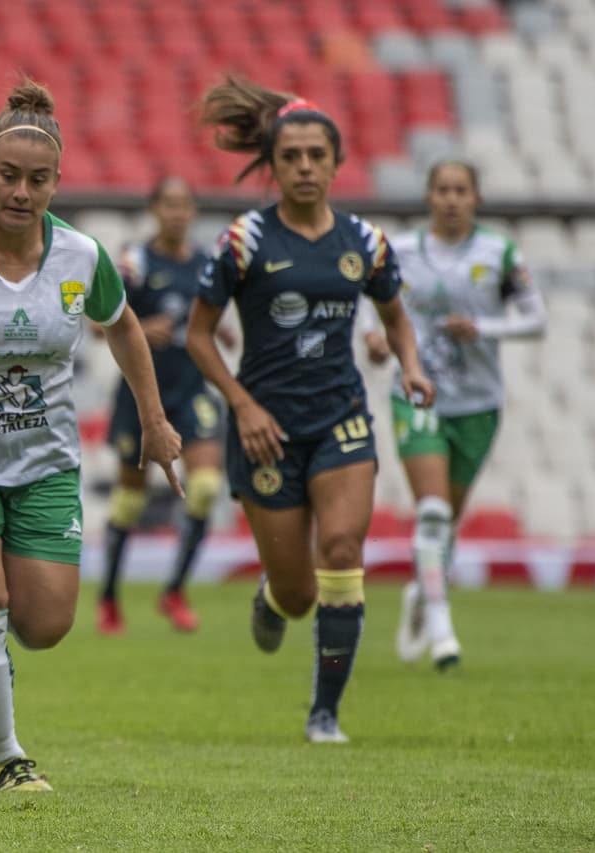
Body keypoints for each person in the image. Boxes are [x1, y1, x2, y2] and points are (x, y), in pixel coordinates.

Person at [0, 80, 182, 791]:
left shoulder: (82, 256)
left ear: (57, 182)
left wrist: (155, 417)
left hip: (45, 461)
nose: (21, 191)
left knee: (44, 625)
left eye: (37, 179)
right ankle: (7, 759)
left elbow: (125, 326)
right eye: (8, 176)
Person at [186, 75, 435, 743]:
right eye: (289, 156)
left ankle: (325, 713)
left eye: (314, 156)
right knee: (297, 592)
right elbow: (197, 336)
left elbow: (397, 319)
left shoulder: (366, 242)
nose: (302, 166)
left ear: (335, 161)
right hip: (265, 430)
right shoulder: (243, 241)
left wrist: (409, 365)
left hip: (340, 417)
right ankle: (271, 597)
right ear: (272, 164)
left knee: (344, 549)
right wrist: (241, 407)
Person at [360, 160, 545, 671]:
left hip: (478, 403)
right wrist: (373, 341)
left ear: (476, 198)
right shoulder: (399, 251)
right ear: (428, 196)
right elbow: (366, 307)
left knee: (446, 523)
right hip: (418, 393)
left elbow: (535, 317)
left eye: (461, 190)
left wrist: (483, 328)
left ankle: (421, 591)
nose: (451, 199)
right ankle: (442, 630)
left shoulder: (499, 252)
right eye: (442, 189)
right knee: (434, 512)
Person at [96, 176, 236, 635]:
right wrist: (140, 327)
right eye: (168, 204)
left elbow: (210, 319)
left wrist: (220, 332)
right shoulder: (135, 262)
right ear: (155, 209)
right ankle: (110, 598)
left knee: (207, 486)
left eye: (184, 204)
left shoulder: (206, 263)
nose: (177, 212)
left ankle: (174, 591)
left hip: (192, 391)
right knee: (130, 500)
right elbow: (101, 324)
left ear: (193, 211)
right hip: (141, 395)